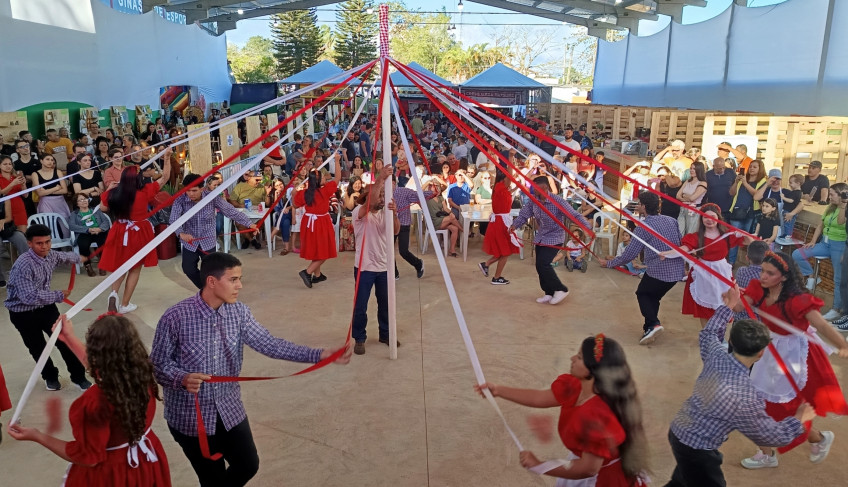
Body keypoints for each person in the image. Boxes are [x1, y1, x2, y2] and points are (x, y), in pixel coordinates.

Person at [150, 252, 351, 487]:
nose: (240, 286)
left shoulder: (239, 313)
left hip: (229, 408)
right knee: (211, 478)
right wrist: (182, 378)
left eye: (240, 278)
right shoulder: (175, 317)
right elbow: (157, 365)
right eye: (233, 279)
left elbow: (270, 344)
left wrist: (318, 355)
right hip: (190, 419)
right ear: (212, 282)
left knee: (248, 464)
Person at [664, 293, 814, 487]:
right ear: (761, 353)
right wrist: (799, 419)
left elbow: (709, 333)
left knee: (683, 481)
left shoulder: (716, 355)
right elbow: (769, 435)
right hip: (698, 449)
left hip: (678, 431)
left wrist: (729, 305)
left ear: (732, 343)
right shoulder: (745, 396)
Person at [8, 313, 172, 486]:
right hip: (145, 462)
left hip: (114, 473)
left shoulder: (94, 403)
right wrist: (69, 338)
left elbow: (89, 458)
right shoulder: (142, 373)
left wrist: (37, 436)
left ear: (96, 355)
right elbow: (106, 368)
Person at [474, 335, 649, 486]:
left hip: (600, 480)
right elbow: (539, 398)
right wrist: (498, 390)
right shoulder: (576, 385)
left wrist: (540, 466)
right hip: (584, 464)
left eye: (579, 357)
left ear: (592, 370)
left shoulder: (596, 416)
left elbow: (589, 468)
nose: (573, 358)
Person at [732, 251, 848, 469]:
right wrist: (732, 296)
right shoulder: (760, 289)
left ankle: (816, 439)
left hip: (792, 355)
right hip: (769, 350)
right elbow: (739, 307)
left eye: (770, 273)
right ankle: (772, 452)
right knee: (760, 404)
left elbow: (822, 325)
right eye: (763, 271)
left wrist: (842, 344)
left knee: (783, 408)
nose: (763, 276)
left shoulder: (798, 300)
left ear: (784, 277)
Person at [4, 224, 90, 391]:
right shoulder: (23, 265)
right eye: (39, 243)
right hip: (22, 313)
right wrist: (58, 295)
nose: (44, 247)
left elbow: (61, 257)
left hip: (45, 307)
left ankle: (79, 377)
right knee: (38, 348)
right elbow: (28, 297)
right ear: (29, 244)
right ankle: (50, 377)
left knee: (64, 341)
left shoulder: (49, 254)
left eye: (47, 242)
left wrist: (77, 258)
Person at [598, 192, 685, 344]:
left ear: (643, 207)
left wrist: (610, 263)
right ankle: (649, 328)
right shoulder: (672, 220)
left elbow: (629, 255)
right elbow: (680, 242)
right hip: (676, 272)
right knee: (654, 297)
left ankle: (653, 324)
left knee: (643, 293)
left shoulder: (643, 227)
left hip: (659, 271)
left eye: (638, 203)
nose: (637, 206)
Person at [99, 155, 171, 314]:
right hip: (138, 232)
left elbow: (103, 208)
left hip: (119, 231)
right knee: (134, 269)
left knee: (120, 267)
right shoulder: (145, 191)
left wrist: (109, 189)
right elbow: (165, 177)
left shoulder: (114, 193)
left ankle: (113, 294)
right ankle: (124, 304)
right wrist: (166, 159)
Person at [509, 175, 590, 306]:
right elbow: (524, 214)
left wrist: (588, 227)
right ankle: (548, 292)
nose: (533, 190)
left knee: (544, 264)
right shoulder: (534, 200)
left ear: (545, 187)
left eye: (535, 188)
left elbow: (573, 214)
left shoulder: (558, 201)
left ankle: (561, 289)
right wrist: (514, 225)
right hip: (541, 236)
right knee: (539, 265)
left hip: (555, 237)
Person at [666, 203, 748, 328]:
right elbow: (684, 249)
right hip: (702, 273)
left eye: (712, 217)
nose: (709, 220)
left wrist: (743, 234)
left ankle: (719, 335)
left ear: (719, 218)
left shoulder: (728, 235)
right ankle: (707, 333)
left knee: (725, 302)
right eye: (705, 217)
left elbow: (748, 242)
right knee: (703, 308)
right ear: (701, 219)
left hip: (721, 272)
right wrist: (666, 254)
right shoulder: (695, 237)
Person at [170, 173, 258, 289]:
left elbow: (230, 211)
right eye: (188, 190)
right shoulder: (180, 200)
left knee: (211, 271)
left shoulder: (212, 197)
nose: (190, 194)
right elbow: (173, 219)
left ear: (202, 188)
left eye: (194, 190)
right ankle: (206, 290)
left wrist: (249, 223)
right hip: (190, 242)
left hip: (208, 240)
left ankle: (210, 293)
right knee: (188, 269)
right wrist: (181, 233)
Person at [351, 169, 400, 355]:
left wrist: (394, 214)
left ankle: (385, 334)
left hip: (384, 266)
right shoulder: (359, 212)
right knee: (361, 306)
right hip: (364, 267)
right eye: (379, 196)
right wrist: (381, 178)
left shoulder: (385, 213)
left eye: (383, 196)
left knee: (386, 304)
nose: (382, 199)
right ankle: (359, 338)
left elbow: (395, 231)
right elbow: (371, 203)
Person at [790, 182, 847, 320]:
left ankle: (836, 308)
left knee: (838, 279)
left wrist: (843, 205)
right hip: (824, 243)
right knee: (798, 254)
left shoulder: (844, 208)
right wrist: (813, 241)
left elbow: (840, 223)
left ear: (840, 196)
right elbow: (820, 225)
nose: (829, 197)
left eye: (832, 194)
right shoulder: (829, 207)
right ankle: (812, 276)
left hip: (838, 245)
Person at [293, 155, 342, 287]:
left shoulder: (304, 193)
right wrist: (337, 161)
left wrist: (294, 193)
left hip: (308, 223)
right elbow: (337, 178)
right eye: (323, 176)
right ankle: (307, 272)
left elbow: (295, 205)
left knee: (317, 249)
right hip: (320, 223)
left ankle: (318, 275)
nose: (326, 177)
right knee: (324, 251)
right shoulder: (325, 191)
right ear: (319, 181)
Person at [479, 170, 520, 285]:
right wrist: (511, 157)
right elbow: (510, 175)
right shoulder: (500, 186)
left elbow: (511, 190)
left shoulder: (502, 189)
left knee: (506, 250)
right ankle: (496, 276)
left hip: (502, 222)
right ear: (504, 179)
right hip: (501, 223)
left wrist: (530, 171)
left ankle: (487, 265)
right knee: (506, 251)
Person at [393, 176, 433, 280]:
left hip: (403, 224)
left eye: (389, 183)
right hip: (389, 226)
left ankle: (418, 264)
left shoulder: (403, 191)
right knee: (387, 251)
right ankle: (394, 273)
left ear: (394, 183)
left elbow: (417, 195)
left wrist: (432, 193)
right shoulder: (382, 194)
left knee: (403, 251)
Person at [727, 159, 767, 264]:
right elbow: (731, 193)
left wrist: (745, 183)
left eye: (755, 167)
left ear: (760, 169)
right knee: (734, 239)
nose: (752, 169)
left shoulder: (762, 181)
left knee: (750, 240)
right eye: (750, 166)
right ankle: (731, 263)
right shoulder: (742, 179)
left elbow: (757, 195)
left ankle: (752, 263)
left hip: (751, 214)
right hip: (737, 212)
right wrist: (736, 182)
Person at [69, 194, 111, 277]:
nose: (84, 201)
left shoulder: (96, 210)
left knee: (103, 242)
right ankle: (88, 266)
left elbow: (105, 221)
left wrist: (100, 229)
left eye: (85, 199)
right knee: (83, 244)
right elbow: (72, 226)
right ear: (77, 203)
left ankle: (102, 265)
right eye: (81, 200)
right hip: (85, 233)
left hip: (98, 231)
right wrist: (87, 229)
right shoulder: (74, 214)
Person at [32, 154, 71, 235]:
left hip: (60, 202)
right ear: (41, 161)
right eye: (47, 159)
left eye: (52, 160)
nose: (50, 161)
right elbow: (39, 193)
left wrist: (46, 191)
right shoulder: (35, 174)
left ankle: (67, 247)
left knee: (65, 228)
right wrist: (56, 188)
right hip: (45, 202)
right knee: (48, 227)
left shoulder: (58, 172)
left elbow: (64, 190)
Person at [425, 178, 462, 257]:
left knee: (454, 228)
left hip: (441, 219)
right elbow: (419, 191)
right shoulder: (427, 197)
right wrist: (428, 181)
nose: (435, 187)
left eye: (437, 186)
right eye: (433, 186)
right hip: (433, 222)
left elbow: (445, 208)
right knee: (451, 218)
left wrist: (451, 213)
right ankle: (463, 230)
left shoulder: (440, 198)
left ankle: (452, 250)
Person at [676, 161, 707, 235]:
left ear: (699, 170)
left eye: (694, 169)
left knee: (690, 232)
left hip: (694, 210)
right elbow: (678, 195)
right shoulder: (687, 181)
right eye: (691, 168)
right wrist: (687, 198)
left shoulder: (702, 183)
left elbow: (692, 198)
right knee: (679, 231)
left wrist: (684, 196)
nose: (691, 170)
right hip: (683, 208)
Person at [0, 154, 28, 232]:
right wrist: (12, 184)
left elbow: (25, 195)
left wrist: (23, 185)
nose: (8, 166)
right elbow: (1, 193)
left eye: (10, 164)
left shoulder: (16, 177)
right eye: (5, 164)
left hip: (19, 206)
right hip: (4, 208)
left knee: (22, 234)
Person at [704, 156, 736, 220]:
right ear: (714, 166)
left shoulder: (730, 172)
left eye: (723, 167)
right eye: (719, 168)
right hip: (713, 208)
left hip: (728, 208)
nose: (722, 170)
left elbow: (736, 185)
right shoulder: (707, 175)